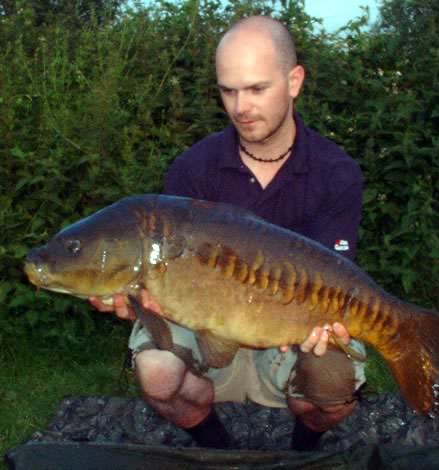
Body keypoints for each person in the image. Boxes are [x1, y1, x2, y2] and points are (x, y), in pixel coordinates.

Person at [90, 15, 365, 452]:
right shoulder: (193, 169)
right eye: (228, 90)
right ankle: (217, 446)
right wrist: (139, 300)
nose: (241, 107)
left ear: (294, 81)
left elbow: (335, 277)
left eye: (257, 89)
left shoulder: (337, 174)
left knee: (334, 392)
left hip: (292, 314)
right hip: (205, 314)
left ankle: (303, 445)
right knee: (159, 376)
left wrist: (326, 326)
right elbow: (163, 271)